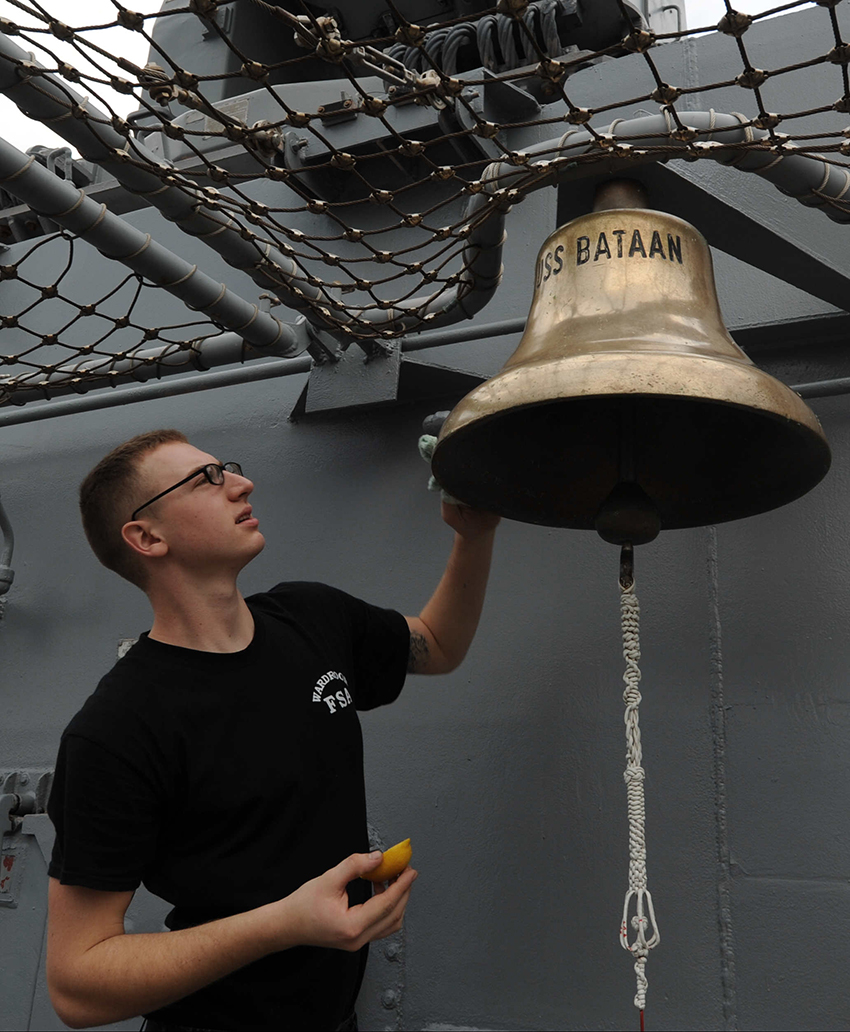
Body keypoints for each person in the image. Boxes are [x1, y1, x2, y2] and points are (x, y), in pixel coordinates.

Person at [45, 429, 500, 1032]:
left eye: (226, 467)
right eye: (206, 479)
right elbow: (77, 985)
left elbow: (437, 645)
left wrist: (475, 532)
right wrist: (286, 923)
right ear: (146, 536)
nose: (241, 482)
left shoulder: (313, 617)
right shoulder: (116, 730)